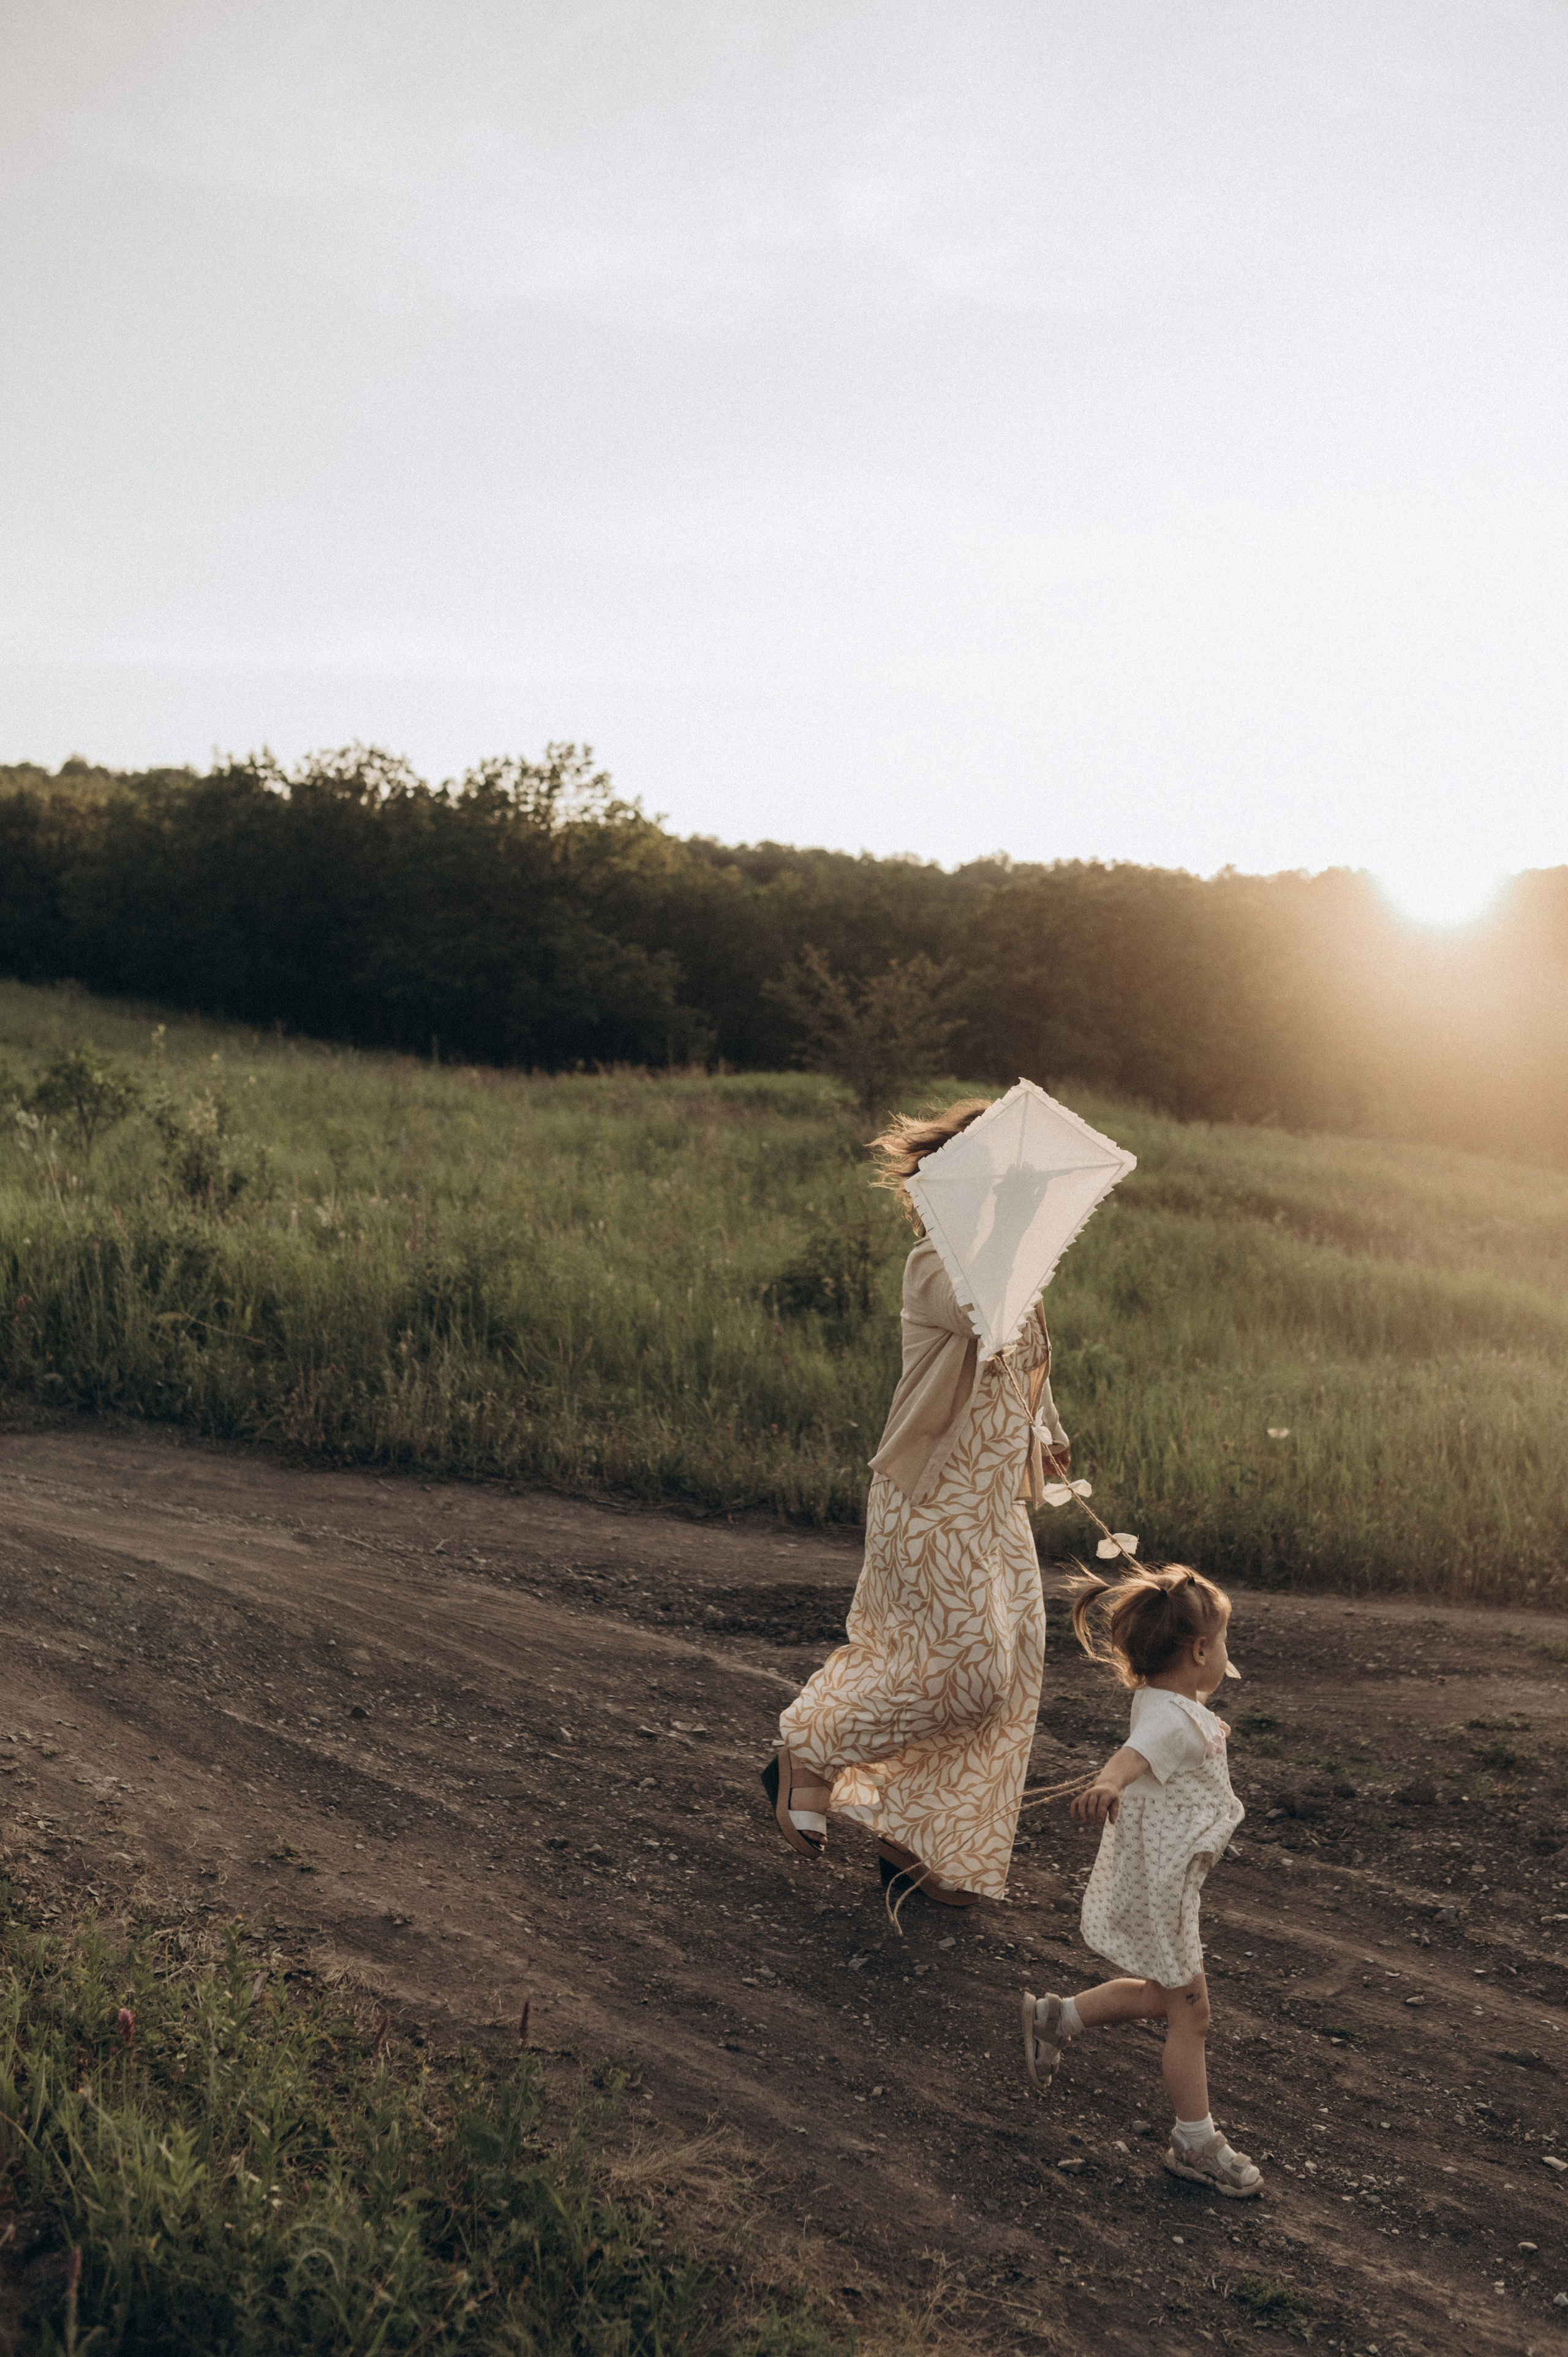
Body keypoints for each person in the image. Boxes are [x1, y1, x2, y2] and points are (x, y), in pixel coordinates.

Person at [760, 1097, 1070, 1909]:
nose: (1013, 1201)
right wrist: (1018, 1218)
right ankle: (811, 1750)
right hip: (932, 1501)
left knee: (1012, 1678)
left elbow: (1025, 1361)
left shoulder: (1016, 1277)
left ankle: (925, 1843)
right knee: (966, 1669)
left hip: (996, 1504)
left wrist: (1049, 1430)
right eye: (1000, 1188)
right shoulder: (936, 1267)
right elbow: (983, 1317)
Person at [1018, 1563, 1262, 2197]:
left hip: (1162, 1876)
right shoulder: (1174, 1720)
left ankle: (1056, 2016)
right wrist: (1108, 1780)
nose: (1226, 1655)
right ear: (1201, 1649)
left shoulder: (1165, 1699)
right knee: (1192, 2013)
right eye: (1222, 1642)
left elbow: (1167, 1711)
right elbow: (1132, 1754)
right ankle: (1194, 2139)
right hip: (1163, 1886)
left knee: (1163, 1993)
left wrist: (1178, 1603)